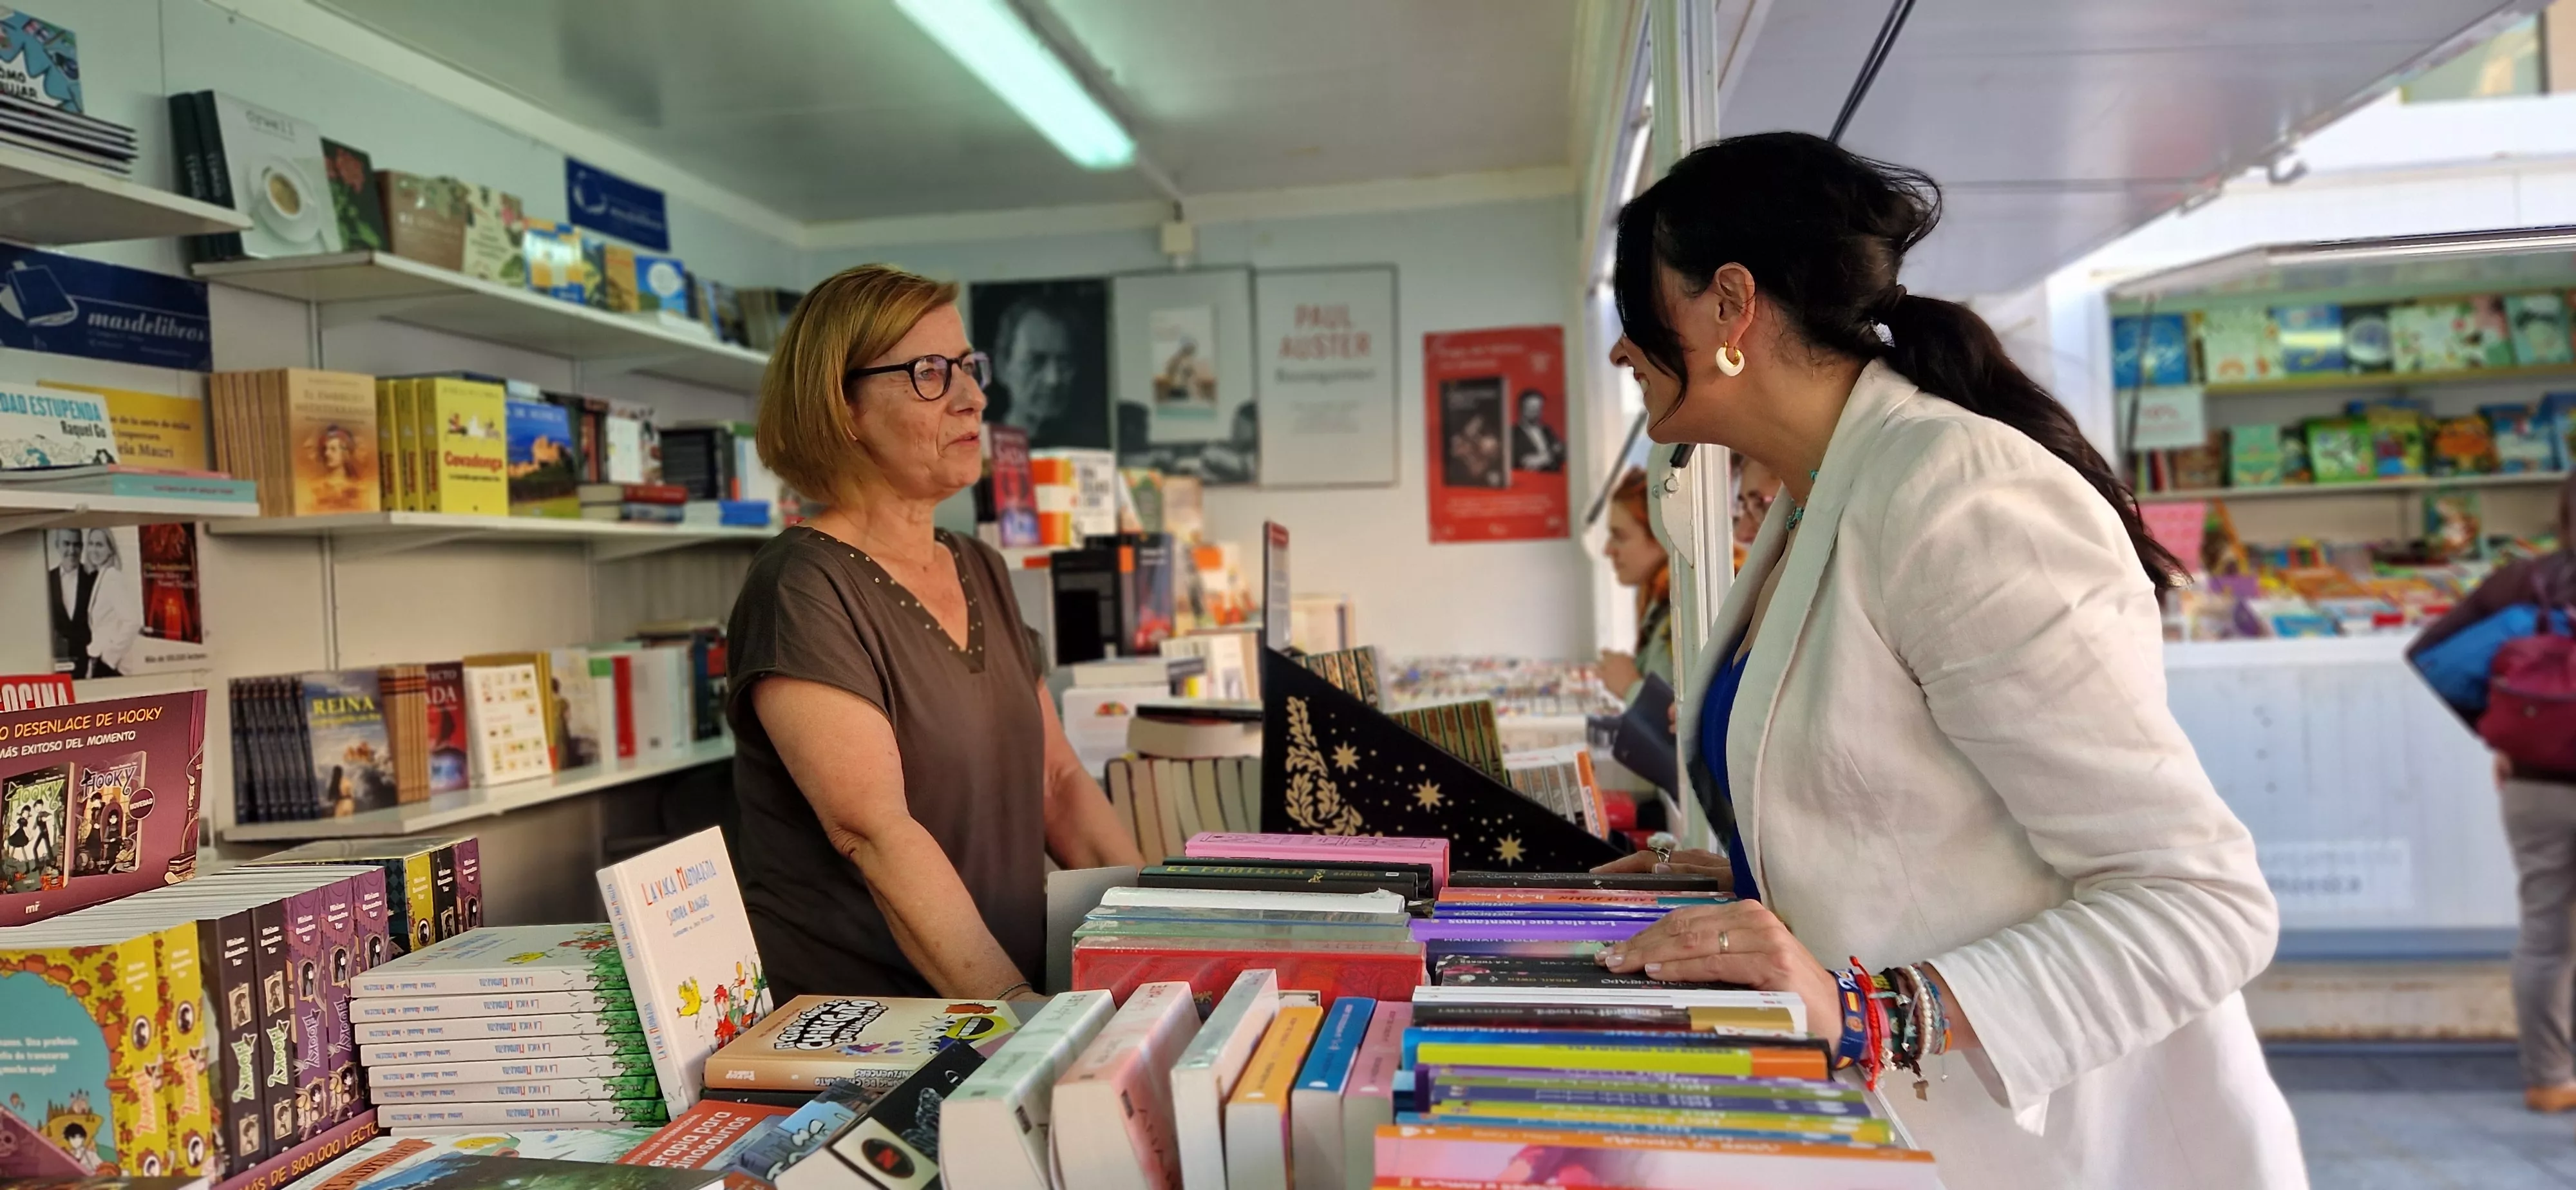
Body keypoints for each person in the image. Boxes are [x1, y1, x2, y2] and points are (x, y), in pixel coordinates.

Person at [1593, 132, 2300, 1187]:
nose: (1620, 351)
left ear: (1729, 306)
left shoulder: (1957, 494)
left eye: (1637, 313)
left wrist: (1877, 1012)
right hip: (1897, 1132)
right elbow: (1898, 799)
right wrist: (1752, 861)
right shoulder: (1820, 494)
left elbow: (2200, 899)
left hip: (2041, 1141)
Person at [728, 263, 1143, 1001]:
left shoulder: (977, 563)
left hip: (998, 999)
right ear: (842, 406)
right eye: (929, 373)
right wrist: (1015, 1011)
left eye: (967, 367)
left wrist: (1162, 930)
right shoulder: (803, 583)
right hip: (875, 1027)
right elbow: (874, 831)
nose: (973, 397)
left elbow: (1056, 784)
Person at [2409, 472, 2576, 1113]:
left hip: (2533, 786)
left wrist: (2498, 734)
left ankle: (2549, 1080)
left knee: (2543, 932)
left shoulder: (2525, 581)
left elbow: (2430, 653)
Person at [1594, 468, 1671, 703]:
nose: (1608, 550)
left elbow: (1676, 733)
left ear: (1661, 537)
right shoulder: (1657, 600)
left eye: (1620, 536)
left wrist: (1630, 686)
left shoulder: (1681, 614)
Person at [989, 296, 1084, 446]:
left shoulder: (1088, 446)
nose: (1053, 379)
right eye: (1036, 362)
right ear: (1002, 367)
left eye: (1064, 363)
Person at [76, 529, 139, 679]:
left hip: (110, 664)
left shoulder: (112, 578)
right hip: (99, 658)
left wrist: (110, 656)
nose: (93, 549)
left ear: (111, 550)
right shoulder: (103, 576)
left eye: (99, 545)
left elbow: (133, 622)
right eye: (91, 544)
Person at [1510, 388, 1566, 472]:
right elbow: (1525, 462)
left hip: (1554, 477)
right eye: (1532, 407)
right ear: (1521, 408)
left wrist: (1543, 458)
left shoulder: (1547, 430)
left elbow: (1561, 453)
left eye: (1539, 407)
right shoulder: (1512, 434)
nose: (1536, 411)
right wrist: (1551, 455)